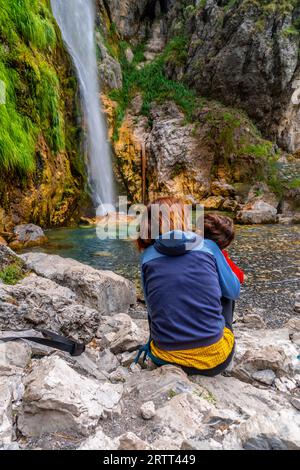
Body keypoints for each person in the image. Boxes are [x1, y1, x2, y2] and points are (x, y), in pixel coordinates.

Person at [136, 197, 241, 377]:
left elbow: (151, 307)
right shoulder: (208, 246)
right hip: (214, 360)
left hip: (165, 357)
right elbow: (234, 291)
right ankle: (209, 338)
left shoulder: (147, 258)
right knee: (226, 288)